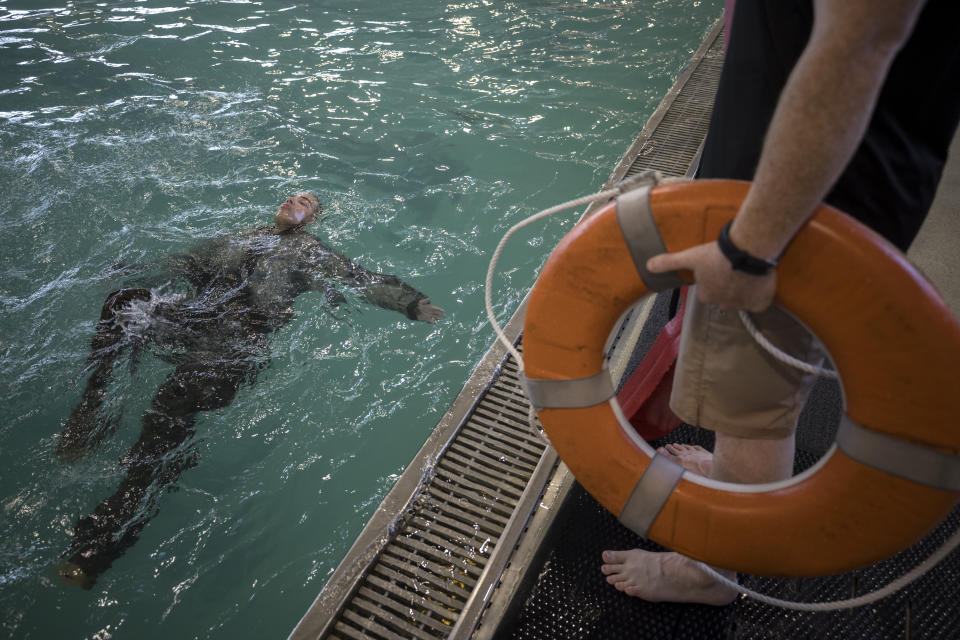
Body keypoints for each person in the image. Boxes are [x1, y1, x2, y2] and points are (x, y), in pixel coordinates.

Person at [601, 0, 960, 604]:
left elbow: (858, 45)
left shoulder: (772, 229)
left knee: (750, 394)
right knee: (767, 377)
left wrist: (750, 248)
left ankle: (711, 570)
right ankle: (742, 482)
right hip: (819, 178)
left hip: (792, 204)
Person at [57, 193, 444, 588]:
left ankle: (104, 539)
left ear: (312, 219)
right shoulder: (238, 238)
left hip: (234, 345)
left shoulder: (307, 250)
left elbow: (357, 277)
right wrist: (133, 271)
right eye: (292, 195)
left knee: (167, 416)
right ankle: (93, 405)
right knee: (124, 302)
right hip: (196, 319)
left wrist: (411, 303)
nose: (295, 200)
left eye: (307, 202)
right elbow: (181, 265)